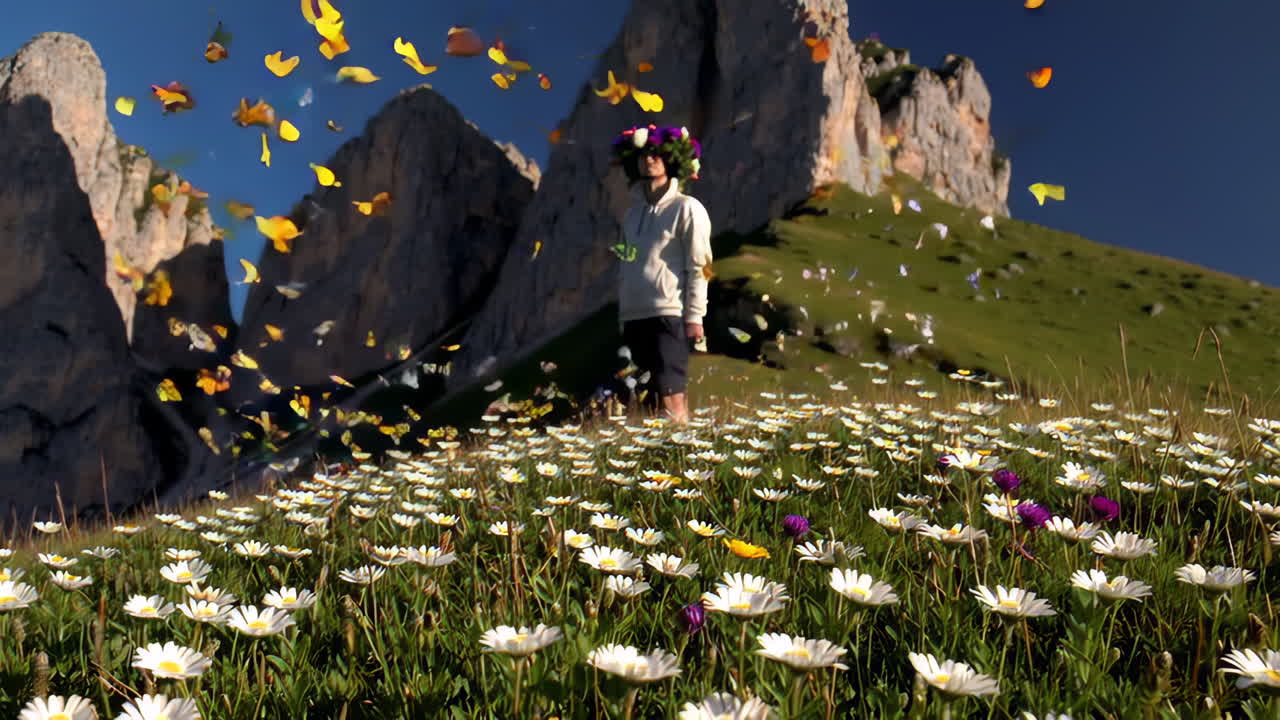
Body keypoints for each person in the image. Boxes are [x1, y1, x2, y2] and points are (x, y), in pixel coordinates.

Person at [611, 124, 713, 425]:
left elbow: (701, 265)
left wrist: (695, 315)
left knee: (671, 393)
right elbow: (626, 266)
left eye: (657, 154)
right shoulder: (631, 215)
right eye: (643, 155)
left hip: (669, 312)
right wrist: (622, 313)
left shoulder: (687, 208)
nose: (650, 160)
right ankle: (659, 461)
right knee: (648, 396)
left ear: (672, 160)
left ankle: (683, 450)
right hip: (633, 316)